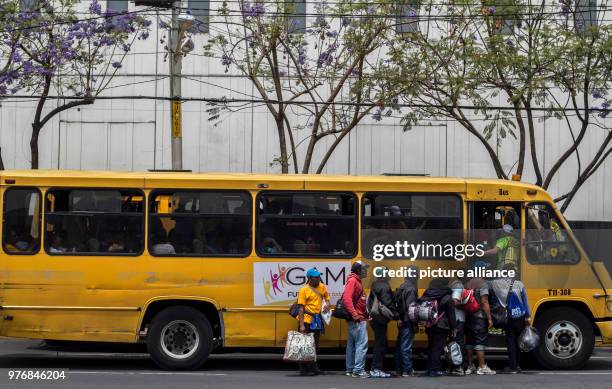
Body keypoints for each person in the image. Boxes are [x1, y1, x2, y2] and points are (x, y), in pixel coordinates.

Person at [489, 264, 531, 373]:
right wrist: (528, 316)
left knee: (510, 341)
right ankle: (517, 365)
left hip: (508, 316)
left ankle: (512, 366)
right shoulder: (519, 284)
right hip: (520, 316)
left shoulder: (496, 283)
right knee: (519, 341)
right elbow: (525, 301)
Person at [297, 268, 330, 376]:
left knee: (315, 345)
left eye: (319, 276)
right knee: (305, 345)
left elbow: (327, 297)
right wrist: (301, 325)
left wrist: (327, 305)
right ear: (310, 278)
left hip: (317, 320)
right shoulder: (303, 290)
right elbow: (301, 309)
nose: (318, 278)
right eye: (316, 277)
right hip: (306, 320)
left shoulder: (322, 286)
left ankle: (314, 368)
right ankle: (304, 369)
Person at [421, 278, 456, 377]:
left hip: (429, 324)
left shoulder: (427, 294)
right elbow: (451, 314)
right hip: (442, 325)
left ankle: (429, 368)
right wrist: (454, 328)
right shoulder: (447, 296)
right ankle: (435, 369)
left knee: (431, 346)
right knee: (437, 348)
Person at [342, 261, 369, 378]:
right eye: (364, 269)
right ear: (358, 270)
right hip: (357, 319)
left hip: (358, 317)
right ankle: (358, 370)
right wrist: (355, 314)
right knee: (361, 345)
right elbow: (347, 299)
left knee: (352, 345)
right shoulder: (353, 281)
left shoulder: (356, 280)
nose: (366, 271)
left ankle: (350, 369)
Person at [367, 267, 396, 378]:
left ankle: (378, 367)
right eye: (387, 273)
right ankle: (376, 368)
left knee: (381, 342)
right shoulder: (384, 286)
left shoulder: (375, 284)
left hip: (375, 317)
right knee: (380, 343)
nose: (389, 275)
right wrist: (396, 314)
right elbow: (387, 302)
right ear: (384, 275)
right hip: (380, 318)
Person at [465, 275, 496, 375]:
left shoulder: (469, 283)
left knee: (469, 341)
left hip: (468, 316)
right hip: (479, 316)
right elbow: (484, 301)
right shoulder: (483, 284)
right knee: (480, 341)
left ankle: (470, 366)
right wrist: (489, 318)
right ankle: (482, 366)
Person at [394, 266, 418, 377]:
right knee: (406, 346)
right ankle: (407, 370)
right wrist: (415, 322)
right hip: (407, 320)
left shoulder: (401, 286)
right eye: (417, 274)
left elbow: (397, 304)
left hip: (401, 320)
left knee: (400, 345)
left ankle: (398, 369)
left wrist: (399, 318)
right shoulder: (412, 289)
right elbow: (411, 308)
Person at [449, 278, 467, 376]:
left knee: (454, 343)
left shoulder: (453, 285)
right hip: (458, 319)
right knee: (458, 343)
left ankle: (453, 366)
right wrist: (466, 303)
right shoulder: (458, 286)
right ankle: (459, 367)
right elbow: (455, 302)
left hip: (454, 318)